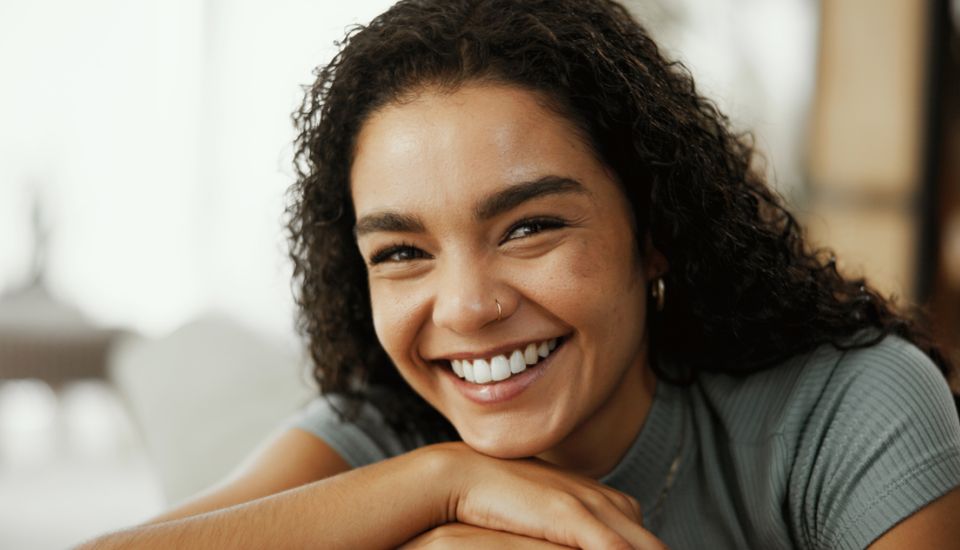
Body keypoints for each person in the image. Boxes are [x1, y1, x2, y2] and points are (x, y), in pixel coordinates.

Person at [81, 0, 960, 548]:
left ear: (655, 231)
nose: (465, 307)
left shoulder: (850, 412)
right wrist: (440, 490)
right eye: (401, 252)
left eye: (530, 227)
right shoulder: (386, 435)